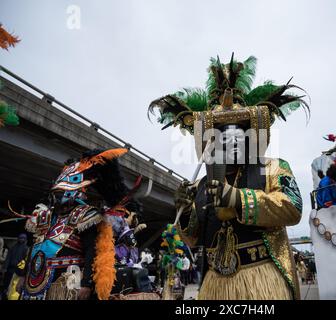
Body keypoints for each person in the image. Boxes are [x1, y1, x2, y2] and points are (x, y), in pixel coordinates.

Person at [150, 54, 307, 300]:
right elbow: (191, 240)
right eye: (222, 136)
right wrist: (184, 210)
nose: (231, 141)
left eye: (239, 134)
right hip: (214, 284)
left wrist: (236, 198)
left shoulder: (273, 168)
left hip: (261, 280)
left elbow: (293, 208)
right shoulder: (201, 184)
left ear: (252, 136)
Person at [13, 148, 129, 300]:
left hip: (64, 284)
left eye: (63, 191)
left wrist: (86, 283)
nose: (60, 195)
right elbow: (34, 246)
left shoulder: (86, 215)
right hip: (33, 280)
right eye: (58, 191)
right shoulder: (46, 215)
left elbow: (91, 251)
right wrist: (22, 275)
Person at [2, 233, 28, 299]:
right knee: (6, 283)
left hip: (18, 271)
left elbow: (25, 260)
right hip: (9, 269)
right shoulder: (13, 247)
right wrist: (5, 267)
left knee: (14, 285)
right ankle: (4, 295)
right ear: (18, 238)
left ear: (25, 239)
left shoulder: (26, 248)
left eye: (23, 238)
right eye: (20, 238)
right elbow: (8, 257)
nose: (21, 239)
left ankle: (9, 296)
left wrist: (22, 270)